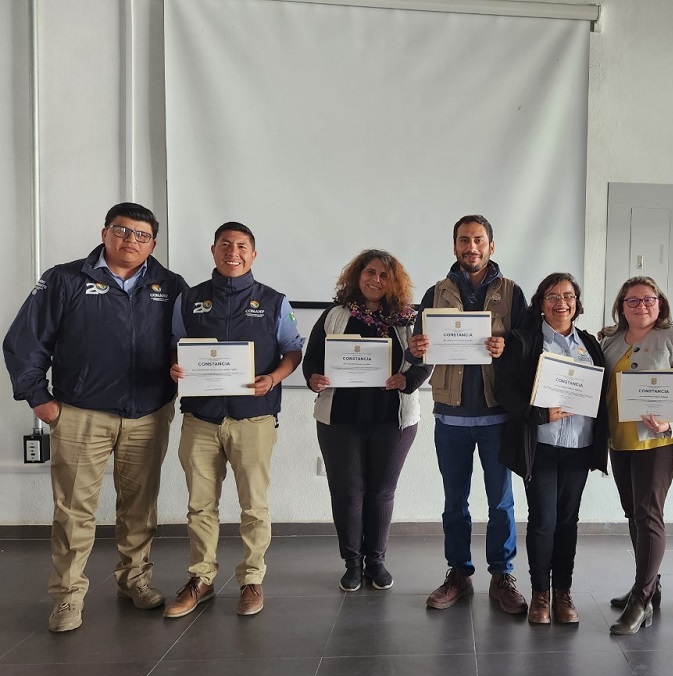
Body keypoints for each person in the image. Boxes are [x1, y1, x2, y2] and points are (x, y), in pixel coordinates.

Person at [3, 202, 187, 632]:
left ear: (153, 244)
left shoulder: (170, 285)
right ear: (105, 233)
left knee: (139, 508)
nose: (131, 240)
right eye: (122, 231)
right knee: (74, 511)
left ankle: (135, 581)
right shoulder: (64, 279)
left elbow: (189, 343)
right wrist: (39, 399)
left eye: (142, 235)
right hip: (81, 415)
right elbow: (24, 341)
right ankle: (68, 597)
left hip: (148, 415)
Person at [163, 221, 303, 619]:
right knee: (199, 505)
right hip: (201, 419)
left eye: (242, 246)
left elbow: (293, 350)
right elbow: (175, 345)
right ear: (213, 250)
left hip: (253, 419)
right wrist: (176, 366)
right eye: (225, 244)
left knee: (254, 506)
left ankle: (252, 579)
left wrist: (273, 378)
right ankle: (200, 579)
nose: (233, 252)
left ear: (253, 254)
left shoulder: (274, 301)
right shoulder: (189, 299)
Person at [408, 214, 530, 614]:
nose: (471, 247)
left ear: (491, 246)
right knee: (454, 503)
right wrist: (416, 349)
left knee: (501, 503)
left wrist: (506, 346)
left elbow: (528, 345)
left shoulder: (511, 293)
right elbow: (417, 348)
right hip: (451, 418)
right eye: (464, 240)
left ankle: (502, 575)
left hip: (497, 417)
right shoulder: (436, 293)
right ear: (455, 246)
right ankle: (459, 574)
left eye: (478, 240)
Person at [302, 249, 430, 592]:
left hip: (394, 419)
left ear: (394, 281)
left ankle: (376, 561)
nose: (376, 280)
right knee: (348, 493)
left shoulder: (408, 319)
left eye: (384, 275)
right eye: (369, 272)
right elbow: (312, 359)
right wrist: (314, 378)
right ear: (357, 276)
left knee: (381, 493)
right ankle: (352, 563)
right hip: (339, 418)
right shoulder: (335, 315)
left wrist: (408, 380)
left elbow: (425, 360)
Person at [494, 273, 608, 624]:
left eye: (569, 296)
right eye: (553, 296)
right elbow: (505, 391)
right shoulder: (523, 341)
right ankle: (540, 594)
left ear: (577, 302)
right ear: (540, 304)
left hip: (579, 445)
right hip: (540, 445)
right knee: (543, 521)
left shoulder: (590, 343)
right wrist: (539, 414)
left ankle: (563, 592)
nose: (562, 303)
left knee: (568, 521)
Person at [600, 276, 673, 635]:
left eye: (649, 299)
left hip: (658, 440)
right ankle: (648, 584)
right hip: (619, 438)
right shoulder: (609, 340)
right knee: (633, 512)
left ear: (660, 304)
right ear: (621, 306)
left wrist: (671, 422)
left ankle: (641, 601)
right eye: (633, 300)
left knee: (648, 514)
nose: (641, 306)